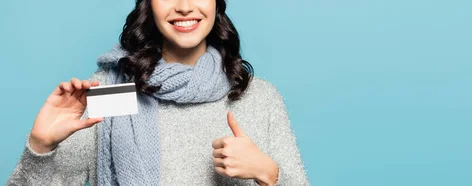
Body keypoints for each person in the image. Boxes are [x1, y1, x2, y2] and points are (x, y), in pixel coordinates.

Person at [7, 0, 309, 185]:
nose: (185, 5)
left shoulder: (259, 98)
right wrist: (40, 147)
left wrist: (269, 174)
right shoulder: (110, 92)